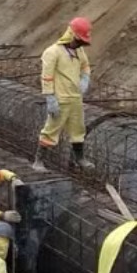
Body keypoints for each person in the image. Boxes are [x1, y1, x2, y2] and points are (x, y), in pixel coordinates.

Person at [39, 16, 93, 170]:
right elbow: (47, 77)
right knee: (51, 129)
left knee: (78, 129)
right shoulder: (53, 52)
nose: (80, 44)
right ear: (71, 35)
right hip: (60, 98)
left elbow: (85, 66)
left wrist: (85, 78)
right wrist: (50, 97)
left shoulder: (79, 51)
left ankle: (80, 158)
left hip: (75, 97)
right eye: (79, 40)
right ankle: (39, 160)